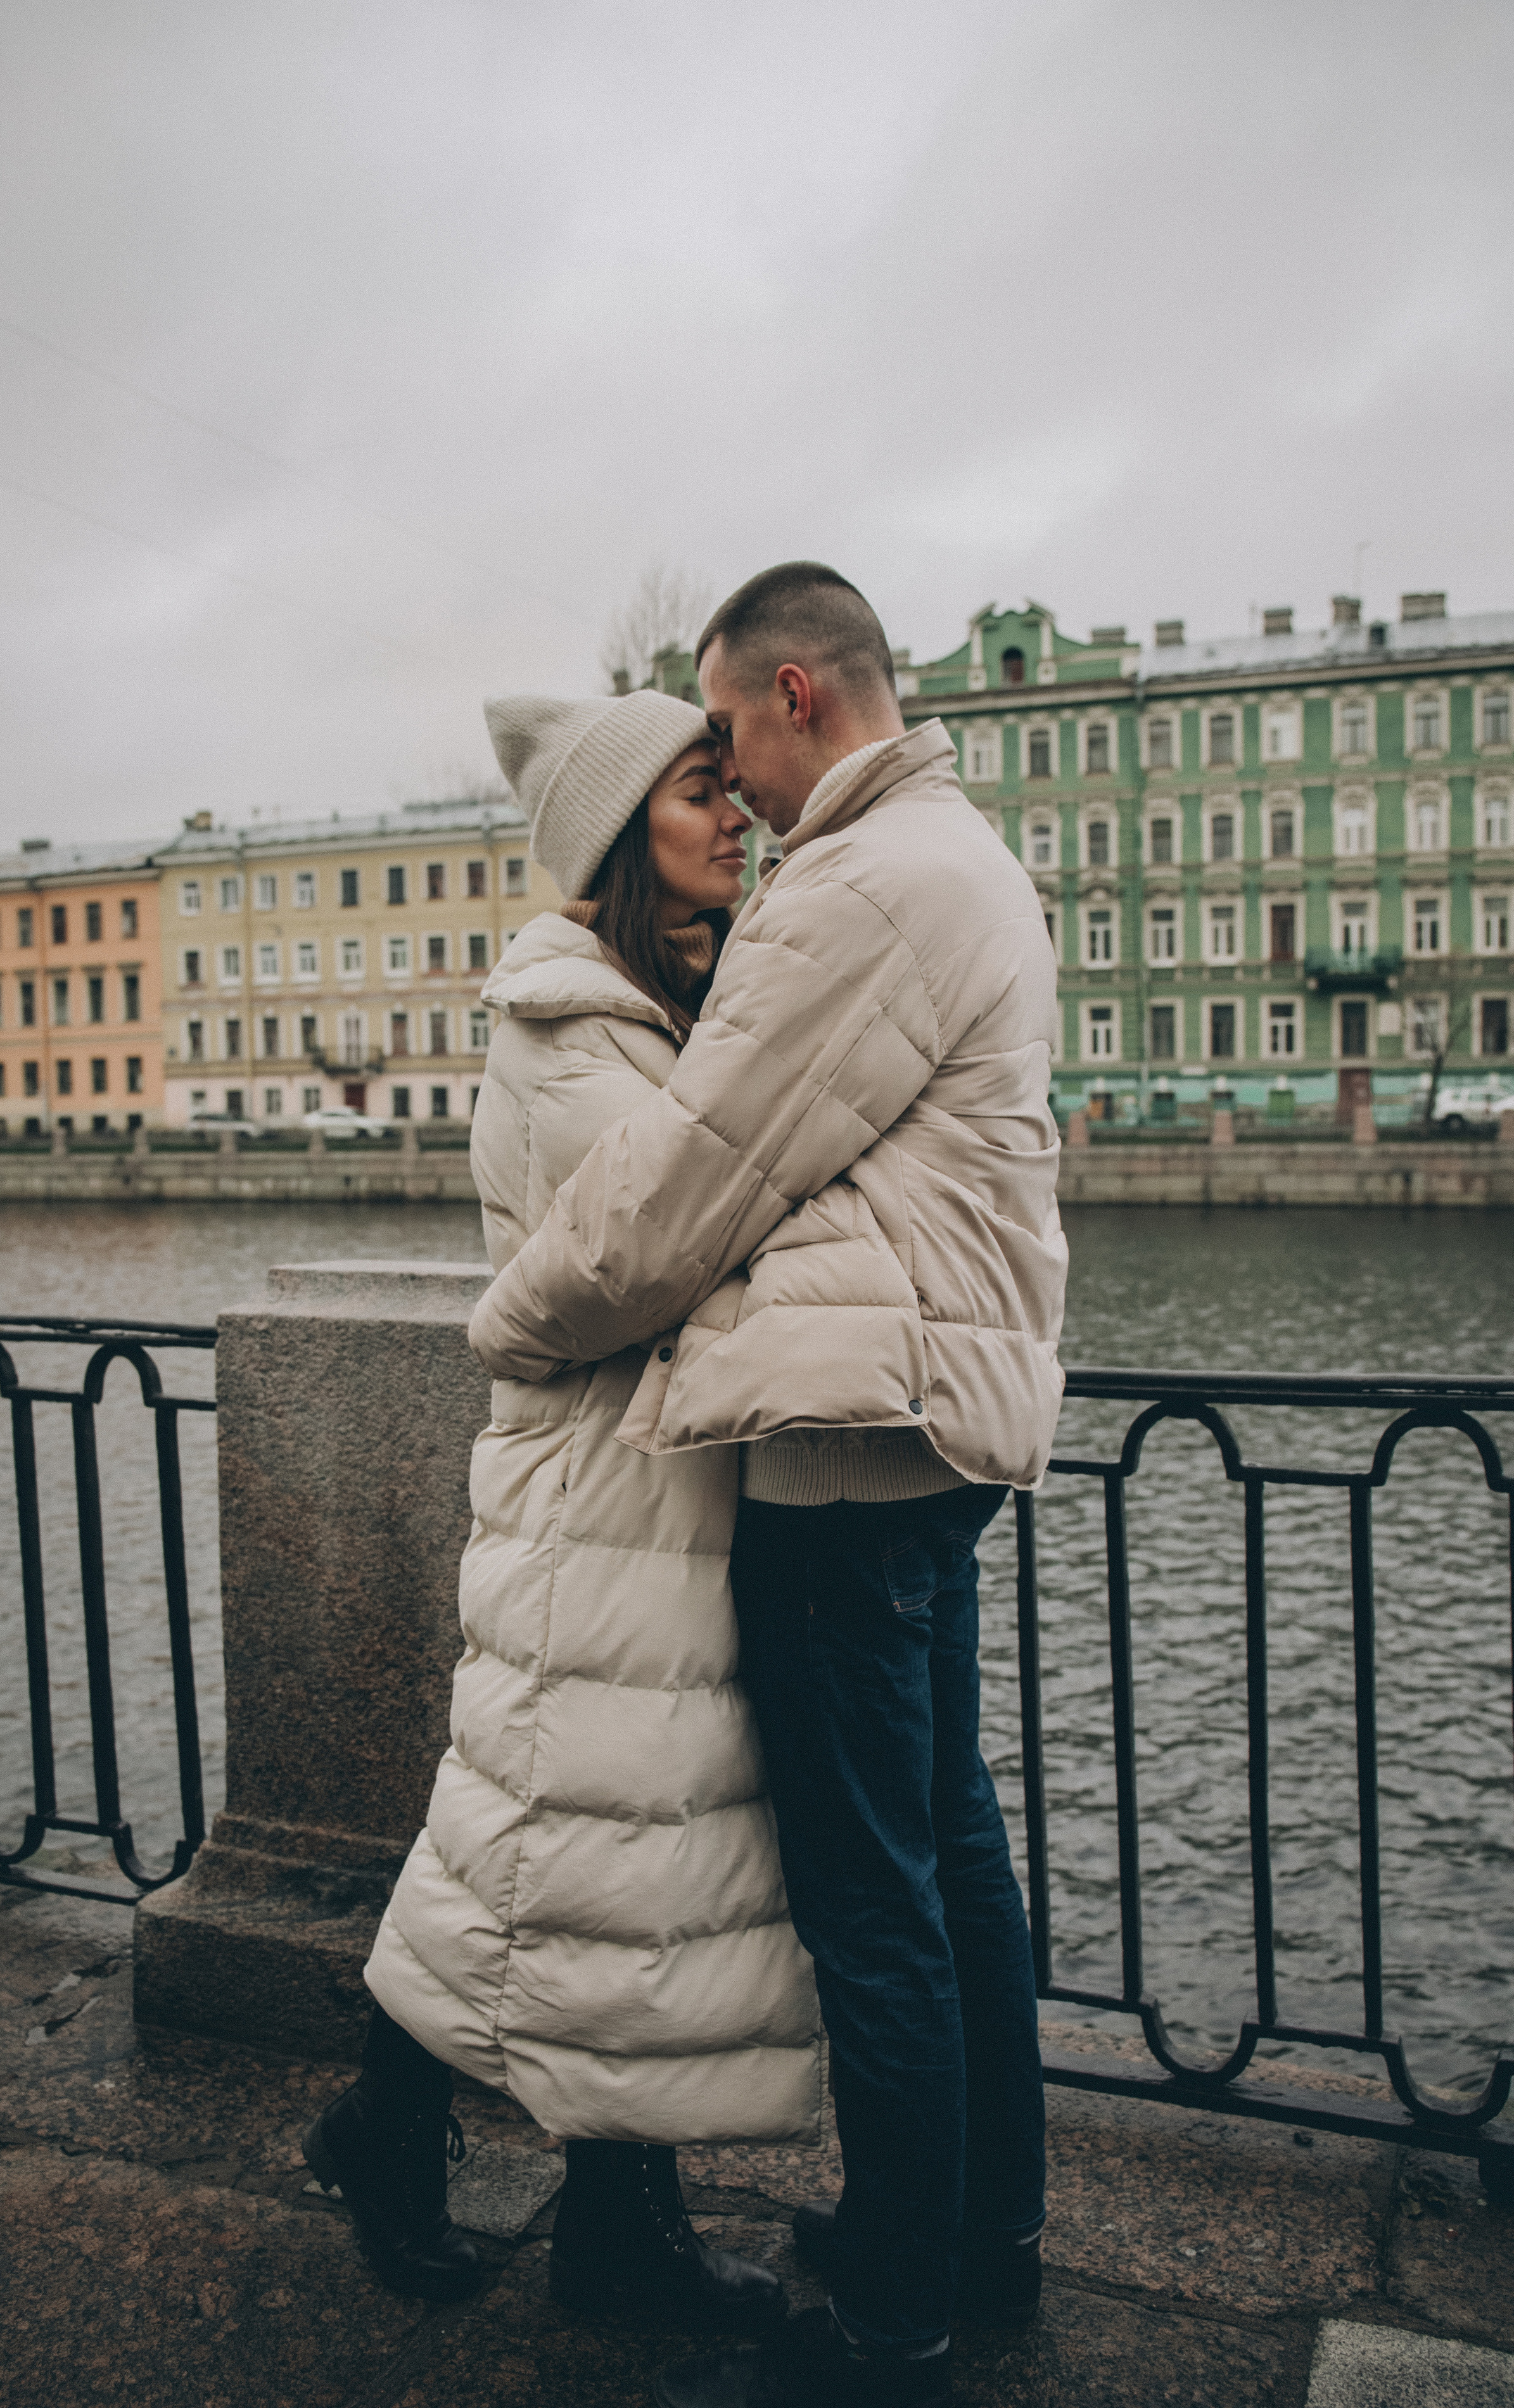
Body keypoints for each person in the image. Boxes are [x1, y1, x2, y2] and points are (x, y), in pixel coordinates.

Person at [467, 564, 1069, 2408]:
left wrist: (509, 1322)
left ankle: (894, 2323)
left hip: (847, 1448)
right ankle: (977, 2237)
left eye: (729, 733)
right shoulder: (963, 855)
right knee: (952, 1854)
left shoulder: (859, 890)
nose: (731, 779)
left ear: (795, 693)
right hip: (937, 1422)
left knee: (875, 1905)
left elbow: (683, 1192)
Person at [304, 688, 821, 2335]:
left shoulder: (660, 1012)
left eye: (733, 789)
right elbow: (677, 1252)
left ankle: (584, 2217)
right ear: (618, 835)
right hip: (594, 1501)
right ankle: (420, 2146)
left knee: (604, 1865)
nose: (736, 816)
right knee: (544, 1848)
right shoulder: (564, 1033)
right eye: (699, 790)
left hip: (657, 1502)